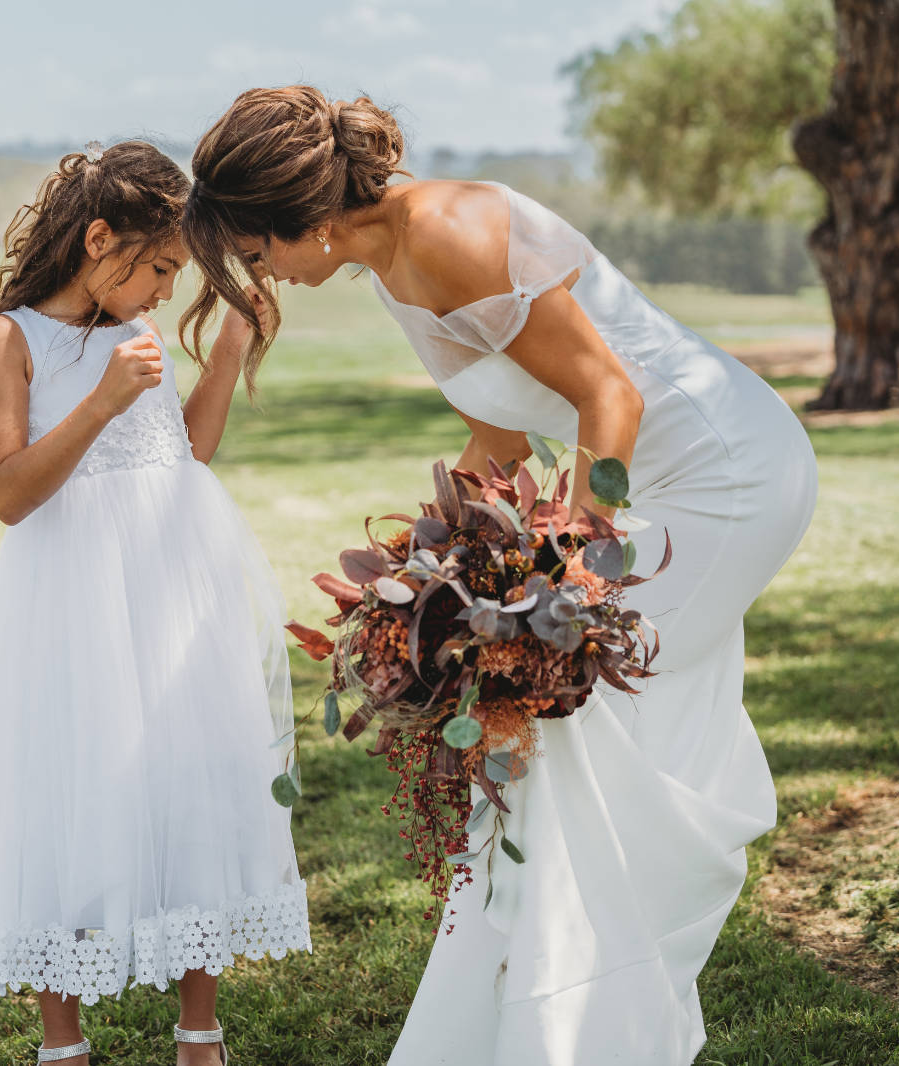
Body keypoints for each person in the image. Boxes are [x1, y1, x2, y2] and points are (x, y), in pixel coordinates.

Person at [179, 86, 818, 1066]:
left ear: (303, 217)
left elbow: (608, 397)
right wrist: (436, 575)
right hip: (650, 485)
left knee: (562, 728)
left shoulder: (447, 229)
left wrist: (570, 577)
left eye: (258, 255)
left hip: (720, 475)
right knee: (533, 738)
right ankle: (523, 1022)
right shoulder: (389, 257)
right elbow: (498, 436)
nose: (265, 278)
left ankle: (576, 1028)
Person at [0, 141, 311, 1066]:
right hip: (69, 593)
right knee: (66, 781)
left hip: (173, 573)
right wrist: (99, 402)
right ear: (99, 238)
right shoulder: (7, 340)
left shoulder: (134, 337)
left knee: (192, 773)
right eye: (160, 268)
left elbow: (186, 453)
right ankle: (64, 1042)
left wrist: (226, 349)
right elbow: (11, 493)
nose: (163, 289)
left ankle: (200, 1031)